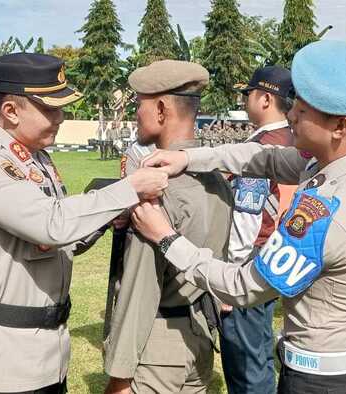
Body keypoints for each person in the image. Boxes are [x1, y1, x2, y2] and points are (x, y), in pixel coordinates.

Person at [132, 40, 346, 393]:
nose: (291, 115)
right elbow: (266, 159)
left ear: (340, 126)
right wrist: (189, 159)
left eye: (303, 111)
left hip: (323, 384)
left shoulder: (324, 217)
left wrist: (167, 238)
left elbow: (244, 287)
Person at [0, 53, 168, 394]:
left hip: (45, 354)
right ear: (10, 111)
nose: (61, 117)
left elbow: (60, 240)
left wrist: (108, 218)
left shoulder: (36, 158)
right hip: (0, 362)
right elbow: (50, 224)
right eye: (50, 109)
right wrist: (129, 189)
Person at [104, 59, 233, 394]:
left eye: (139, 105)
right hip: (199, 335)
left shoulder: (155, 188)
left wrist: (119, 378)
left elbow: (140, 289)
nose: (136, 115)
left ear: (161, 109)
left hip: (155, 343)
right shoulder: (217, 178)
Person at [220, 66, 295, 394]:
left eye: (247, 93)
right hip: (274, 260)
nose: (244, 99)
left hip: (249, 264)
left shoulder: (261, 147)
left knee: (246, 365)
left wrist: (230, 279)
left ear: (265, 98)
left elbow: (248, 216)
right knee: (260, 354)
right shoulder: (292, 139)